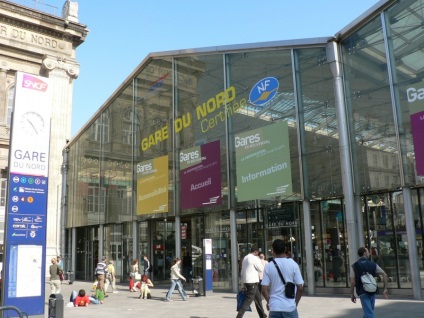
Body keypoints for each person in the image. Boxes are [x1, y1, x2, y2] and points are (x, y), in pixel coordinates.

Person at [261, 239, 304, 318]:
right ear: (285, 249)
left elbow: (263, 290)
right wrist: (295, 303)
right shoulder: (293, 265)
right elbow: (300, 288)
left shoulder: (269, 266)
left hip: (274, 307)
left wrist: (269, 302)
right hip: (290, 307)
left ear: (273, 250)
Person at [350, 247, 388, 318]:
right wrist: (385, 289)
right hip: (373, 289)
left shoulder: (354, 266)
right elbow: (384, 274)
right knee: (369, 311)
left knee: (368, 312)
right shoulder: (372, 264)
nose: (369, 253)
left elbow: (352, 282)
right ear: (364, 253)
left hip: (362, 291)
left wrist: (352, 294)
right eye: (367, 252)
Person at [237, 246, 266, 318]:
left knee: (258, 300)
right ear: (255, 252)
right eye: (257, 253)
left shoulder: (245, 258)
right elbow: (261, 268)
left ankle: (263, 316)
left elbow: (242, 271)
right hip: (252, 282)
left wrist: (243, 283)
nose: (258, 254)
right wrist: (259, 260)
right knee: (247, 301)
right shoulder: (254, 258)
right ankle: (239, 316)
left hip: (248, 282)